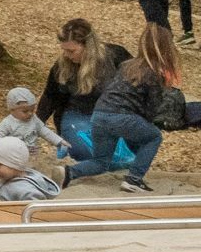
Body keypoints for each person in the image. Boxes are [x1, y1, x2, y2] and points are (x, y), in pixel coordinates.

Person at [60, 28, 182, 191]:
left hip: (100, 114)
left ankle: (68, 172)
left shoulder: (127, 65)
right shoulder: (154, 73)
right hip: (122, 117)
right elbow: (151, 108)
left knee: (101, 161)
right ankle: (134, 179)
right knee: (154, 137)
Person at [0, 92, 64, 199]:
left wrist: (59, 141)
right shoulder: (12, 180)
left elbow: (34, 206)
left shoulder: (26, 191)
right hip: (15, 149)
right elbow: (1, 188)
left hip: (27, 151)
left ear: (15, 165)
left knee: (35, 170)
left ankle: (54, 184)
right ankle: (53, 185)